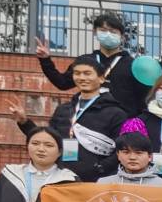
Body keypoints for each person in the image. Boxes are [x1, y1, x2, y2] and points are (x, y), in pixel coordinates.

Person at [10, 55, 127, 183]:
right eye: (77, 73)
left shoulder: (116, 113)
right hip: (60, 177)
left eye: (87, 73)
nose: (82, 78)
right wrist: (24, 122)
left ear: (101, 78)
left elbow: (122, 149)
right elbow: (48, 140)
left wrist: (99, 168)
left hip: (96, 182)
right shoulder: (63, 110)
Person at [35, 11, 149, 117]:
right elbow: (62, 83)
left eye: (113, 32)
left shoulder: (133, 65)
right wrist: (45, 60)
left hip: (122, 123)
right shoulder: (84, 61)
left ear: (122, 37)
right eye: (103, 30)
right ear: (95, 32)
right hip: (89, 121)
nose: (108, 34)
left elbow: (143, 99)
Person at [97, 126, 162, 187]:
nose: (132, 157)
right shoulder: (103, 184)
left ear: (150, 157)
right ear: (118, 155)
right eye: (126, 152)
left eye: (139, 153)